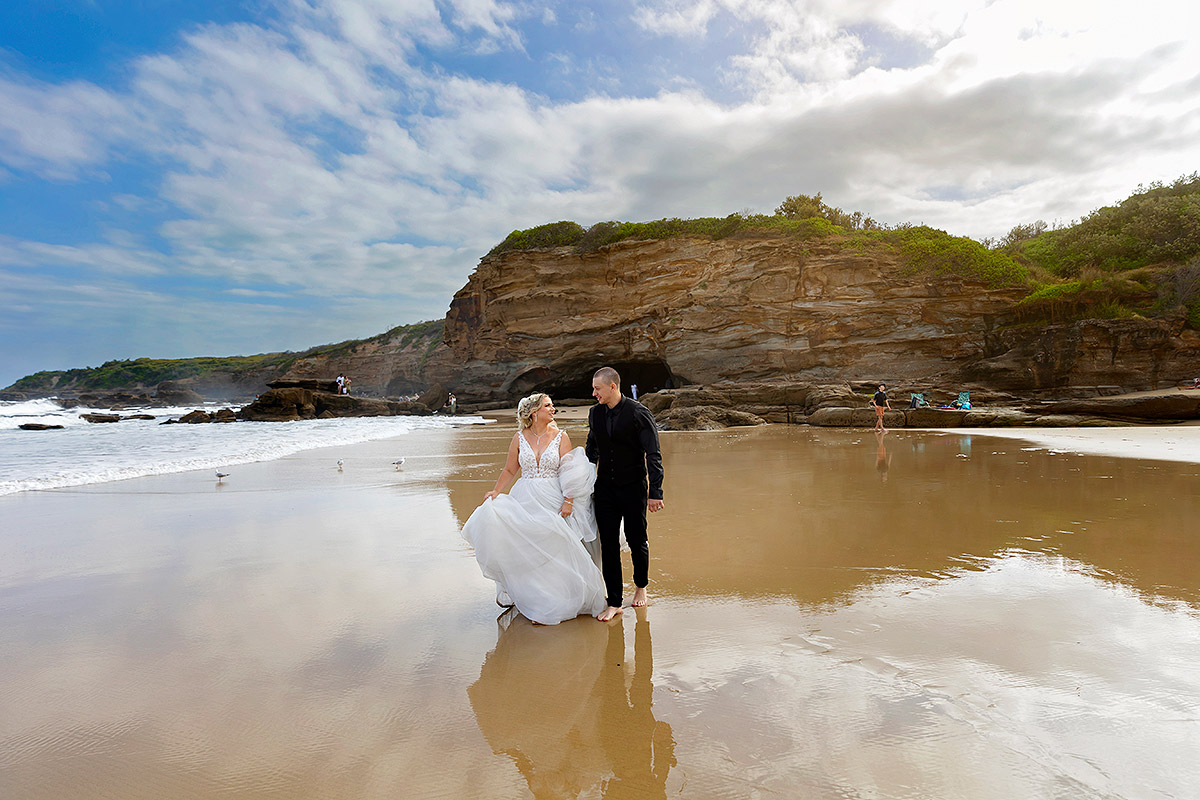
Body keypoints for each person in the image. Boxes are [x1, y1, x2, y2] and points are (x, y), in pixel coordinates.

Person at [461, 393, 606, 625]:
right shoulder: (519, 437)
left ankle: (559, 600)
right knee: (530, 548)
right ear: (534, 412)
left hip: (554, 495)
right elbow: (510, 470)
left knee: (556, 547)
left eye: (552, 405)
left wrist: (568, 500)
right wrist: (496, 492)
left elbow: (569, 472)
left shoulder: (561, 436)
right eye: (548, 406)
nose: (553, 409)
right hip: (525, 496)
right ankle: (537, 602)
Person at [586, 366, 664, 622]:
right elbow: (591, 449)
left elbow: (653, 454)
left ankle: (641, 585)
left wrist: (656, 492)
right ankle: (615, 601)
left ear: (613, 387)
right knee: (608, 544)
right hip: (604, 489)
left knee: (636, 540)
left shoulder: (639, 413)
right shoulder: (594, 414)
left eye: (597, 388)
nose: (594, 393)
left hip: (633, 487)